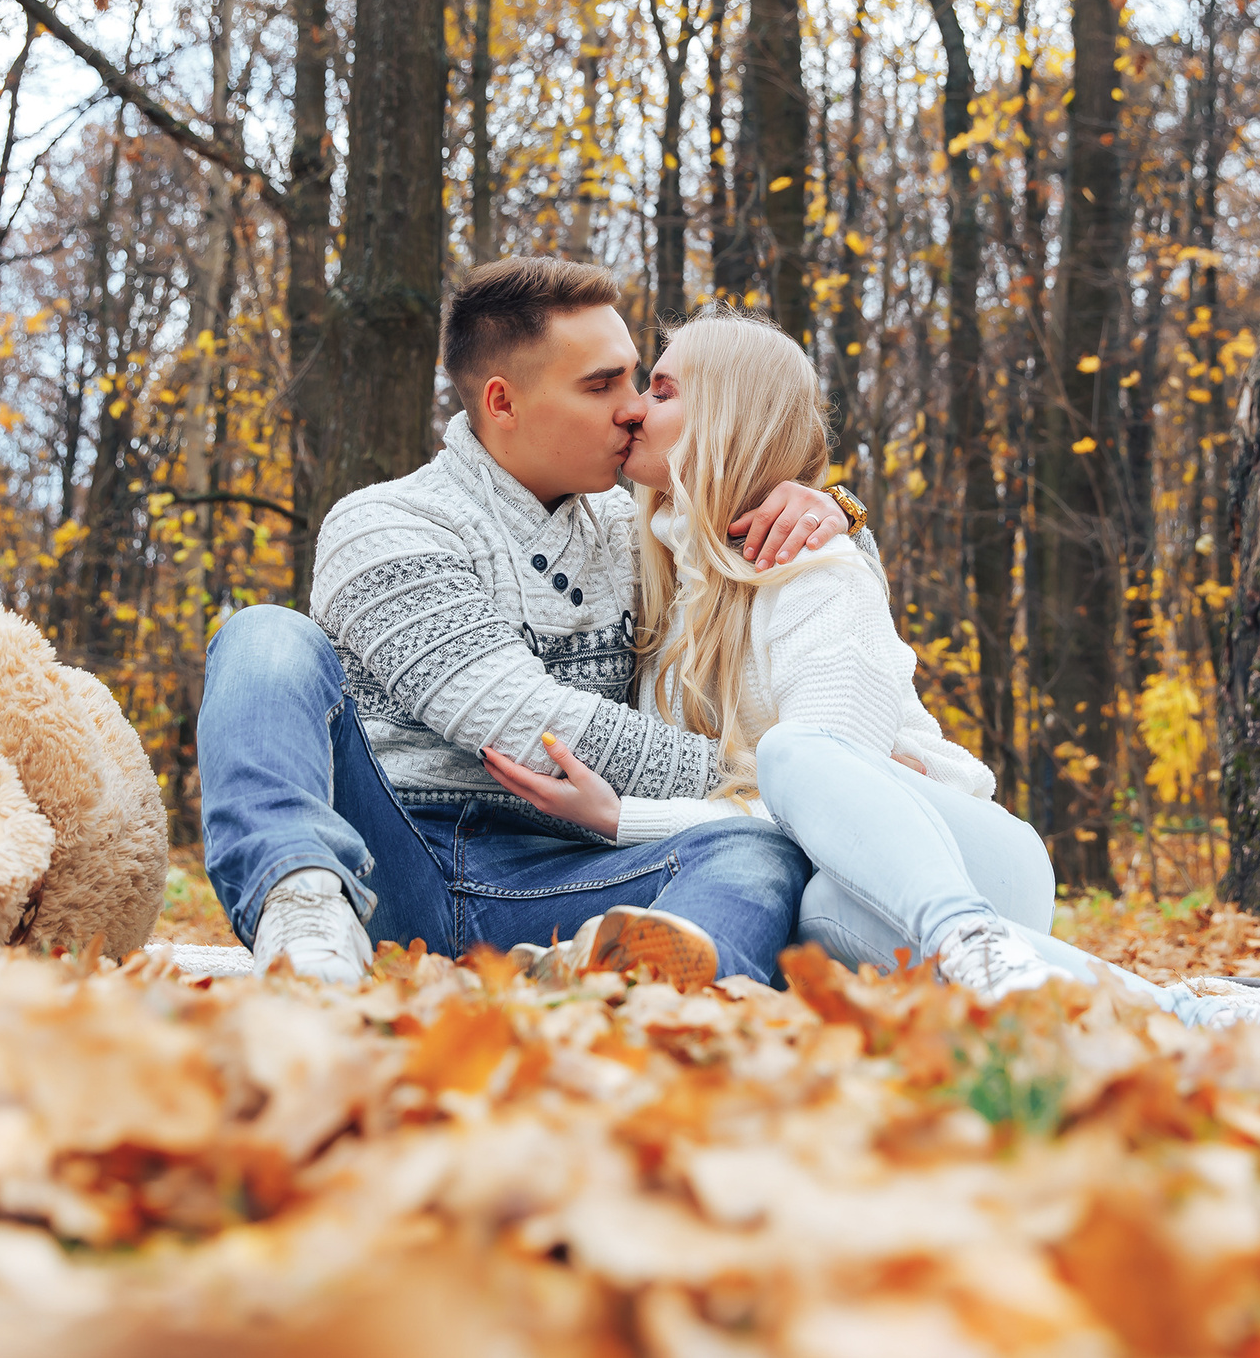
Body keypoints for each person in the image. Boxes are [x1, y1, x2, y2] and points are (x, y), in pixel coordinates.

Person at [482, 306, 1260, 1033]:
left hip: (967, 855)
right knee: (817, 915)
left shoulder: (814, 572)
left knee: (798, 753)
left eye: (662, 388)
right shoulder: (660, 578)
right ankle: (1202, 1016)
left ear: (728, 415)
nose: (633, 408)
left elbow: (816, 799)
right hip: (856, 890)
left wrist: (624, 816)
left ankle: (972, 930)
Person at [195, 259, 856, 987]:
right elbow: (527, 723)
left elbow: (786, 581)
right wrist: (769, 778)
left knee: (751, 850)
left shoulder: (636, 529)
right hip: (390, 866)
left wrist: (831, 511)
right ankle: (303, 913)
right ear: (502, 401)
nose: (634, 409)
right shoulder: (386, 523)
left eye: (636, 381)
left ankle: (647, 996)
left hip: (566, 878)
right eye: (601, 386)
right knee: (264, 635)